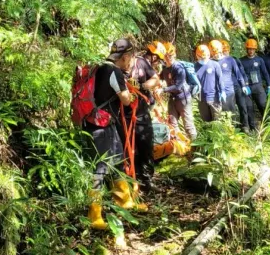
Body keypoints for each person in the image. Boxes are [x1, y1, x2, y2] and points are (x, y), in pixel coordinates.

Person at [84, 38, 137, 230]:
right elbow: (125, 100)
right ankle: (94, 216)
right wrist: (131, 93)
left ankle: (124, 201)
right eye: (130, 57)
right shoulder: (114, 71)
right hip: (101, 125)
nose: (130, 61)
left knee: (118, 160)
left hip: (97, 122)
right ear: (125, 57)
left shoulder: (98, 67)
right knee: (100, 168)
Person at [126, 43, 163, 196]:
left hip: (141, 113)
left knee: (146, 146)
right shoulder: (116, 69)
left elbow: (155, 78)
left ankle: (146, 181)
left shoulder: (141, 63)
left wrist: (143, 86)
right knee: (128, 150)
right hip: (124, 117)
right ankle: (130, 181)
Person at [159, 42, 197, 140]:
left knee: (188, 125)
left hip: (183, 98)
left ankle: (195, 146)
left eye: (171, 56)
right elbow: (159, 78)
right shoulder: (165, 69)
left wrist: (163, 89)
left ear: (174, 55)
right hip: (173, 99)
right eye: (166, 56)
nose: (169, 58)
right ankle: (178, 145)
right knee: (172, 123)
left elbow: (178, 86)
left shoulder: (179, 68)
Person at [220, 39, 253, 133]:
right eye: (224, 51)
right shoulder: (218, 62)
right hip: (227, 89)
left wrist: (245, 84)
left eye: (227, 50)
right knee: (230, 109)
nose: (226, 52)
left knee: (243, 106)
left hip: (238, 86)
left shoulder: (234, 59)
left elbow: (241, 72)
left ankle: (245, 127)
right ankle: (232, 127)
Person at [240, 38, 270, 129]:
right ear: (246, 49)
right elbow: (240, 74)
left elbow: (265, 73)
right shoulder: (241, 61)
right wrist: (244, 85)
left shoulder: (259, 60)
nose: (251, 51)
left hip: (258, 86)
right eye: (249, 49)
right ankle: (253, 127)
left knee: (262, 104)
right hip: (247, 87)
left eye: (252, 49)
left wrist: (269, 85)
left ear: (255, 49)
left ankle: (268, 124)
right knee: (249, 107)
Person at [194, 44, 223, 122]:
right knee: (206, 122)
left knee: (217, 121)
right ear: (197, 55)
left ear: (208, 55)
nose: (202, 59)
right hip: (201, 99)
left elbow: (220, 80)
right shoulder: (194, 67)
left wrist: (222, 91)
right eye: (200, 57)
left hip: (214, 98)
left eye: (204, 57)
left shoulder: (215, 65)